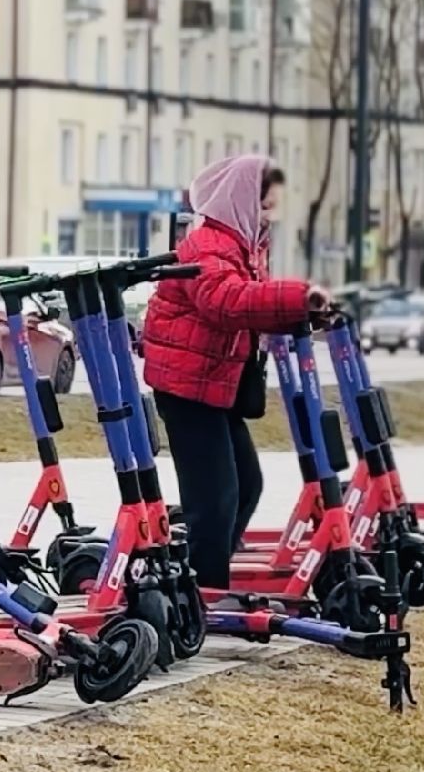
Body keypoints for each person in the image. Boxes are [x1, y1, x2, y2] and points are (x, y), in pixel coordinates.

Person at [140, 154, 329, 593]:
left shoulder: (246, 246)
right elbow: (227, 302)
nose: (269, 215)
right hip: (186, 386)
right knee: (217, 498)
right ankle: (203, 593)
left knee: (245, 486)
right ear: (242, 199)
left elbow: (254, 305)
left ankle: (207, 566)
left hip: (216, 384)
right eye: (264, 205)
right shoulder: (209, 244)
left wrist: (309, 314)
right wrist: (300, 296)